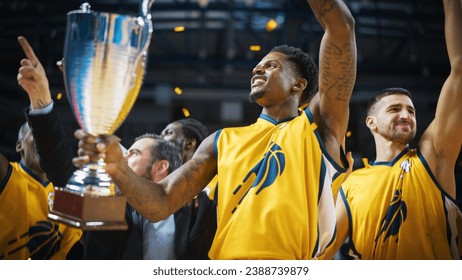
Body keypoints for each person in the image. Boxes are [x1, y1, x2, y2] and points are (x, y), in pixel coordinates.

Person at [75, 0, 356, 259]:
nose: (257, 71)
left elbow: (341, 28)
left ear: (299, 84)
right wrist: (117, 169)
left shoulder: (319, 125)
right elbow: (160, 203)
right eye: (256, 67)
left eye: (270, 66)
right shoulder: (221, 140)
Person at [17, 36, 216, 259]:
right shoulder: (110, 208)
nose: (123, 156)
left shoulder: (202, 209)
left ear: (160, 167)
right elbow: (60, 168)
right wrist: (42, 101)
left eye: (133, 153)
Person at [325, 0, 462, 260]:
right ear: (371, 123)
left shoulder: (432, 158)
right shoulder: (352, 183)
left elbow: (460, 70)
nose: (406, 115)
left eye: (411, 111)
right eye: (394, 109)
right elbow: (323, 253)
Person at [0, 122, 83, 260]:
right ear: (19, 145)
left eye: (51, 139)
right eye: (36, 132)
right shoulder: (6, 174)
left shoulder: (69, 194)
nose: (45, 141)